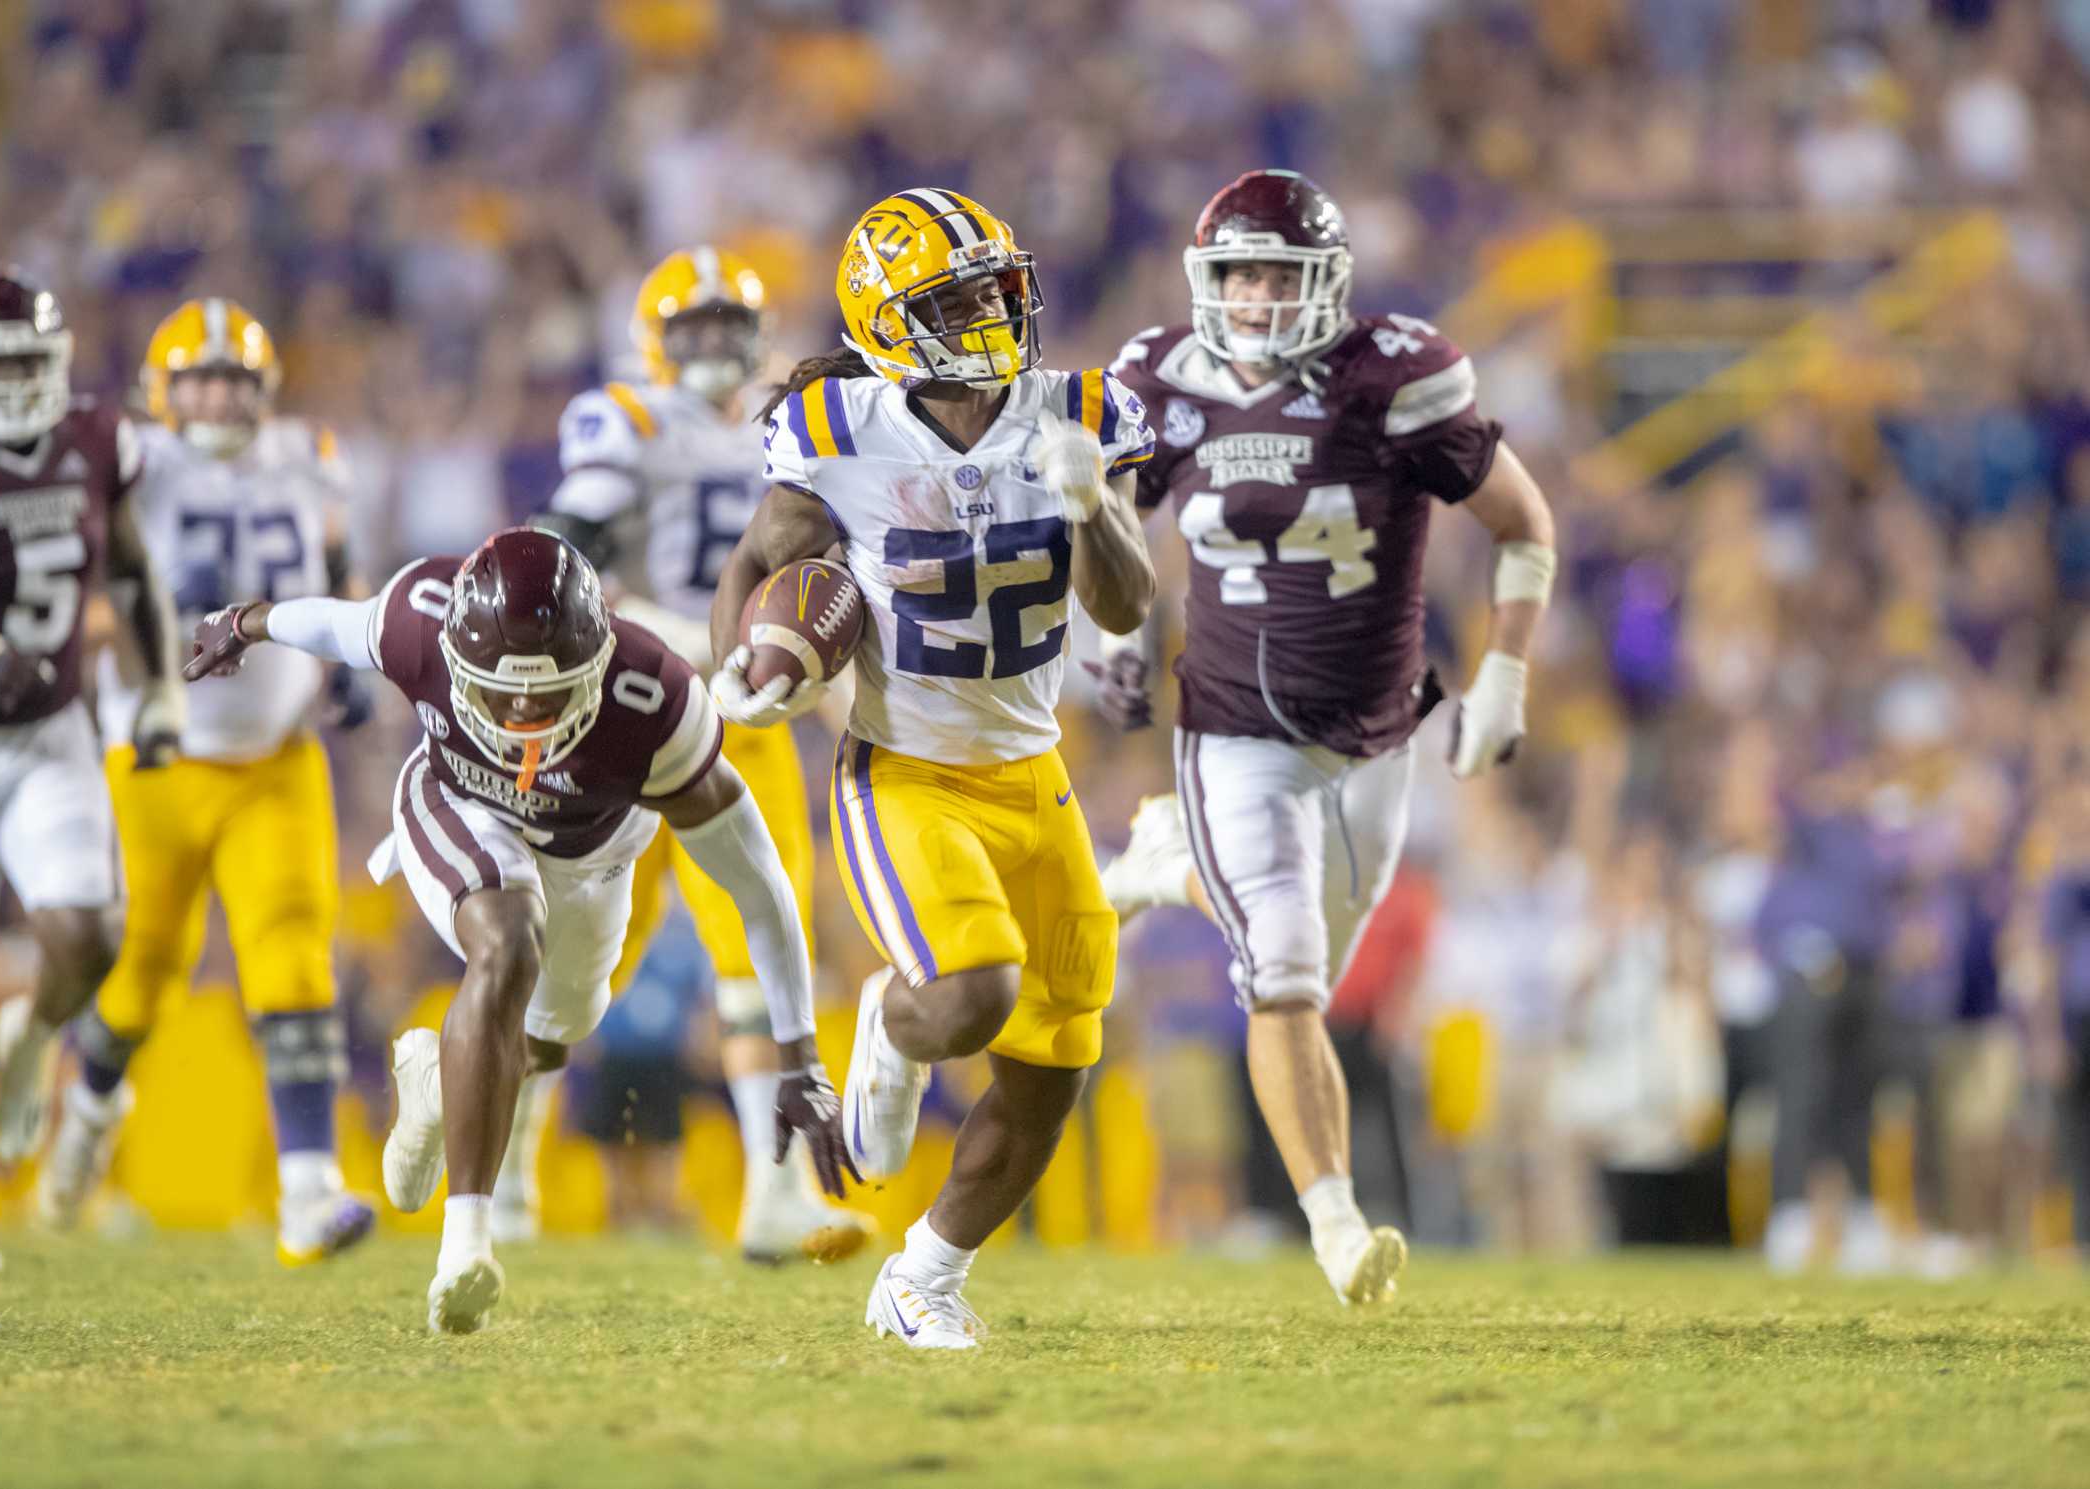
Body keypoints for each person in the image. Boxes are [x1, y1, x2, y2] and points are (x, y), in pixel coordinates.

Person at [183, 526, 852, 1333]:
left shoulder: (656, 703)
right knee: (507, 937)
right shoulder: (417, 617)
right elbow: (336, 623)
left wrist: (800, 1053)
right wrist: (246, 622)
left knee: (550, 1032)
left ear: (598, 661)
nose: (526, 716)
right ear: (459, 661)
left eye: (549, 693)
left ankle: (437, 1083)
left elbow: (763, 886)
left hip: (596, 855)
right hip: (455, 804)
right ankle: (466, 1242)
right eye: (503, 695)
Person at [1095, 169, 1558, 1306]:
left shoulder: (1394, 375)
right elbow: (1114, 542)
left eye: (1278, 274)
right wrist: (1096, 589)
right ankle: (1338, 1226)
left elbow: (1523, 524)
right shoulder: (1158, 379)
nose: (1255, 297)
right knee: (1285, 974)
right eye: (1237, 273)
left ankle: (1174, 865)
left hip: (1377, 733)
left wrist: (1502, 672)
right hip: (1232, 730)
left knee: (1314, 958)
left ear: (1327, 283)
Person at [708, 187, 1158, 1350]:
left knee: (1057, 1059)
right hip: (905, 769)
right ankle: (895, 1023)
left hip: (1031, 766)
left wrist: (1090, 502)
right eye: (959, 299)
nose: (997, 312)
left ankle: (924, 1277)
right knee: (971, 992)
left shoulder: (1076, 413)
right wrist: (740, 676)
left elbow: (1127, 601)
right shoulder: (840, 431)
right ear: (886, 322)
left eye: (1001, 286)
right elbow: (763, 560)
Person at [532, 246, 868, 1264]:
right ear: (652, 342)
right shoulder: (624, 420)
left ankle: (774, 1197)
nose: (717, 348)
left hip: (747, 712)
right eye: (695, 330)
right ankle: (498, 1172)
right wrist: (676, 636)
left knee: (765, 958)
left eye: (732, 327)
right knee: (575, 954)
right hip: (633, 701)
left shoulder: (795, 425)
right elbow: (569, 545)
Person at [40, 298, 377, 1267]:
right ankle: (85, 1123)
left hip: (273, 753)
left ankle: (307, 1192)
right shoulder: (133, 462)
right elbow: (85, 601)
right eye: (201, 379)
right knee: (140, 970)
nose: (220, 397)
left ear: (263, 387)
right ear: (164, 389)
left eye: (235, 379)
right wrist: (130, 630)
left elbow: (342, 569)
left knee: (292, 948)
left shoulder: (310, 452)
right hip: (153, 753)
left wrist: (349, 661)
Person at [0, 265, 182, 1271]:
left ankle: (34, 1039)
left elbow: (138, 573)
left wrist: (162, 690)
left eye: (30, 358)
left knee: (89, 932)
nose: (16, 377)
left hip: (49, 732)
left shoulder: (98, 440)